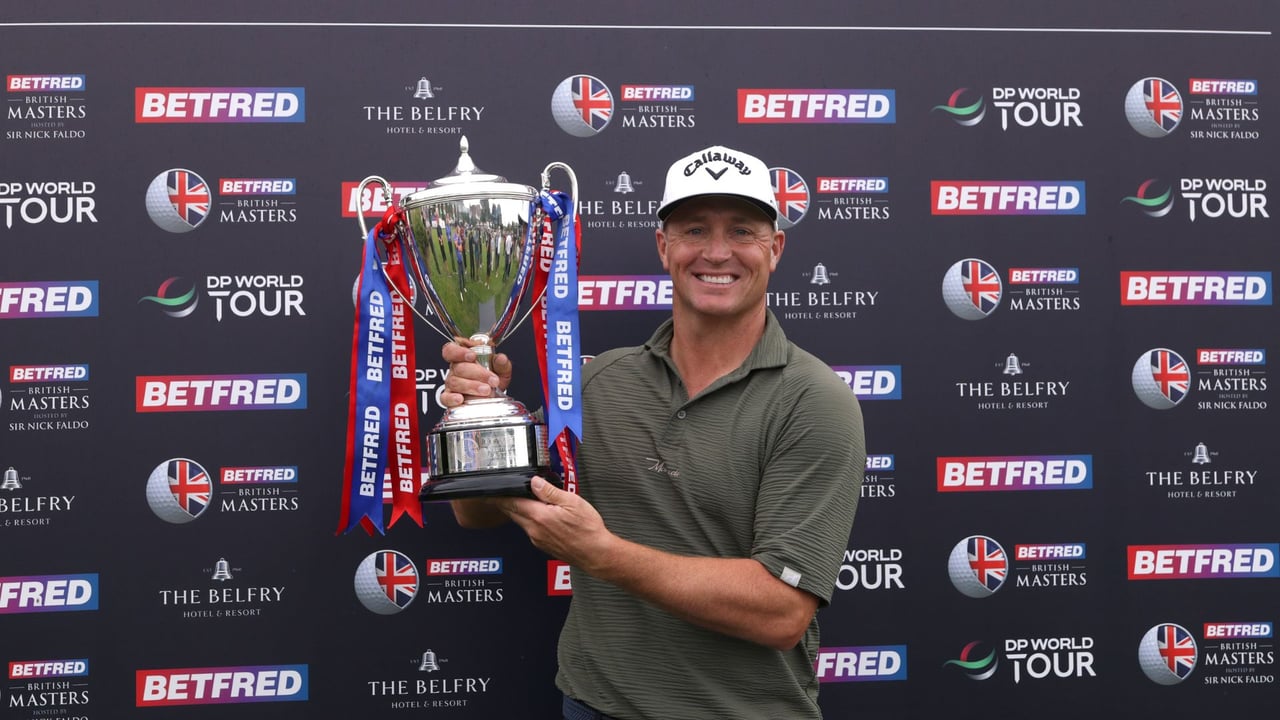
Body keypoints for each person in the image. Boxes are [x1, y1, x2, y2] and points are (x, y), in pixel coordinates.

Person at [440, 145, 864, 720]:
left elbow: (781, 612)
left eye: (742, 230)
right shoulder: (598, 382)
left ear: (775, 249)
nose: (717, 252)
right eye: (694, 229)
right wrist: (484, 418)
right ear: (664, 246)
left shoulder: (814, 400)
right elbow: (479, 513)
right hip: (593, 706)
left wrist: (602, 554)